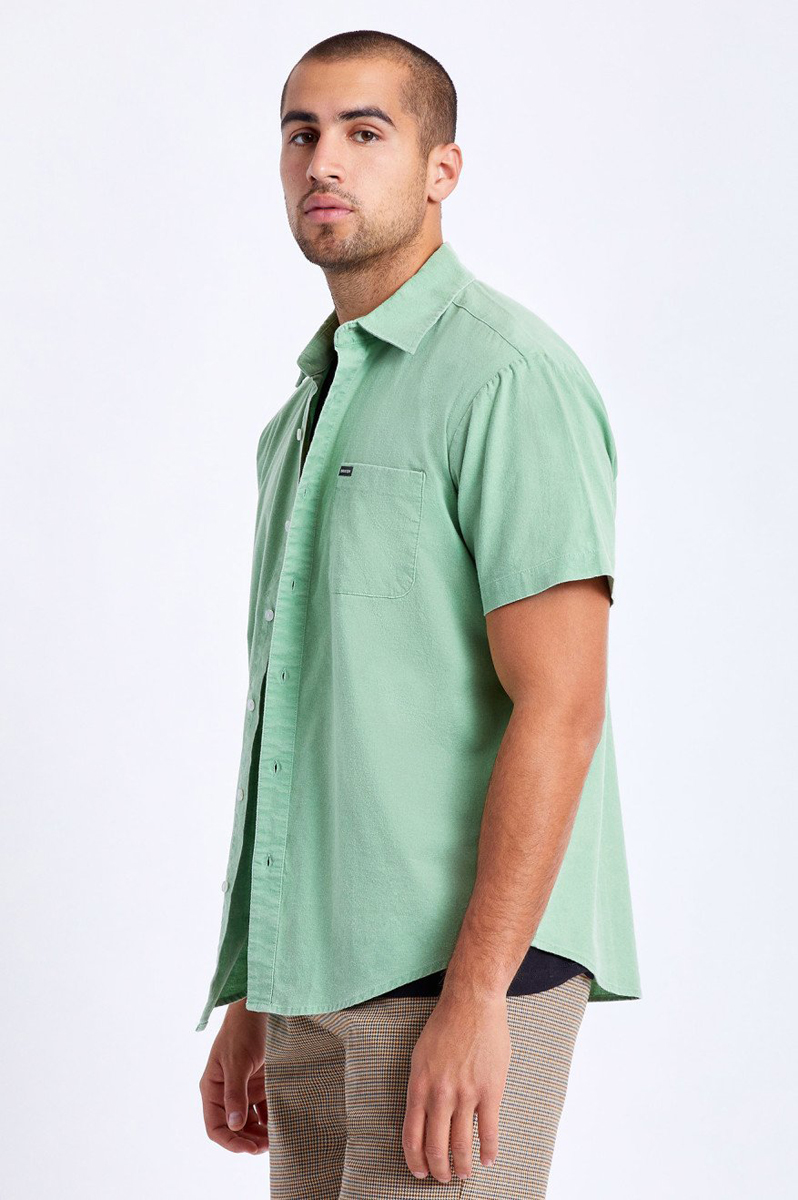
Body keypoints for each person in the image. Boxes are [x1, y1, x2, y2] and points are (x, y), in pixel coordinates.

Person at [197, 28, 641, 1198]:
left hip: (461, 975)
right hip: (314, 978)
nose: (323, 162)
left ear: (443, 168)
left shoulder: (506, 379)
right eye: (301, 133)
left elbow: (562, 706)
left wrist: (478, 996)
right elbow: (307, 718)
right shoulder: (304, 412)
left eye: (365, 131)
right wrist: (258, 988)